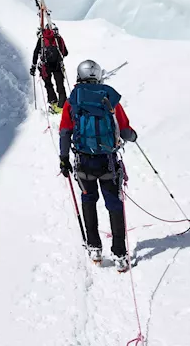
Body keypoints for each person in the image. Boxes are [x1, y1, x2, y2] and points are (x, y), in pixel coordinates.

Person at [58, 59, 138, 272]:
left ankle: (94, 248)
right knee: (114, 203)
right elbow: (125, 130)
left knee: (88, 200)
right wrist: (133, 136)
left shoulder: (73, 100)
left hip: (84, 162)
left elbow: (65, 131)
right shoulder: (109, 98)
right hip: (108, 162)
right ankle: (120, 254)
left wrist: (63, 158)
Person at [29, 23, 69, 112]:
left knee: (48, 84)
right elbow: (65, 52)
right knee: (60, 84)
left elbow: (36, 52)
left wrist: (33, 66)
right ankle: (62, 104)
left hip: (45, 66)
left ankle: (53, 102)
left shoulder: (42, 38)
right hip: (58, 64)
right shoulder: (58, 38)